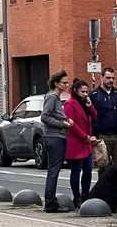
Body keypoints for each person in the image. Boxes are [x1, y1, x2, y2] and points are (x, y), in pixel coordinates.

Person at [42, 70, 73, 213]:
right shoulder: (53, 97)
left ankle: (50, 201)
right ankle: (50, 203)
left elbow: (53, 115)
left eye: (67, 82)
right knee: (54, 170)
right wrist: (63, 124)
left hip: (56, 136)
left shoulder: (56, 98)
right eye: (64, 83)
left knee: (53, 169)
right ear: (56, 83)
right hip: (54, 137)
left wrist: (65, 120)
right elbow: (45, 117)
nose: (67, 85)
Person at [64, 79, 98, 207]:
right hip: (76, 142)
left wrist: (90, 106)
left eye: (87, 92)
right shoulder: (69, 104)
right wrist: (85, 137)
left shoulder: (86, 103)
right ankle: (76, 197)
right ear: (75, 91)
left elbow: (95, 117)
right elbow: (72, 125)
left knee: (88, 169)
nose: (85, 94)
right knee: (76, 170)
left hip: (86, 143)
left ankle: (85, 194)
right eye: (82, 92)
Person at [90, 67, 117, 168]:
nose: (111, 80)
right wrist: (93, 133)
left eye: (113, 78)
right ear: (102, 78)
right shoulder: (94, 95)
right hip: (101, 136)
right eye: (108, 78)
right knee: (103, 166)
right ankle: (104, 184)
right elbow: (90, 115)